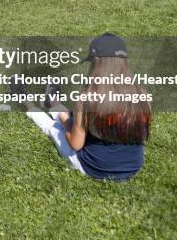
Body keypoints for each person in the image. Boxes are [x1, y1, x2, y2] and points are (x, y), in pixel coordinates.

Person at [12, 33, 151, 181]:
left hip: (93, 168)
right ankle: (52, 102)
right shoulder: (141, 93)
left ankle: (24, 99)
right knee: (78, 119)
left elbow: (75, 144)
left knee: (53, 127)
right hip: (132, 168)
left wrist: (66, 122)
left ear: (96, 64)